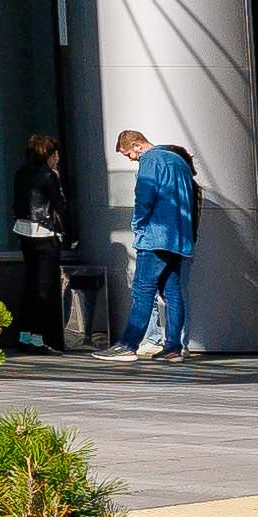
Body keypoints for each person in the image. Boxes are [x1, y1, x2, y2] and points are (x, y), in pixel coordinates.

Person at [110, 124, 202, 362]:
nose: (131, 159)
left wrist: (138, 226)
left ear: (136, 145)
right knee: (172, 293)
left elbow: (144, 198)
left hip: (155, 237)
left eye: (129, 154)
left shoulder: (150, 160)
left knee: (143, 289)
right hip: (178, 238)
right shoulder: (179, 162)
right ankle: (173, 348)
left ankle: (128, 345)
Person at [9, 131, 86, 352]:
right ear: (50, 154)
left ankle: (24, 337)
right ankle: (37, 339)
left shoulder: (21, 173)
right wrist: (57, 181)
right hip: (44, 233)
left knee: (31, 284)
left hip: (24, 231)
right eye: (56, 153)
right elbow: (60, 204)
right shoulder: (48, 175)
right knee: (44, 288)